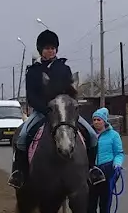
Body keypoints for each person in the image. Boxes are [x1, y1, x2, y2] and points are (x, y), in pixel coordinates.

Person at [8, 29, 105, 189]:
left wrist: (69, 106)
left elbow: (70, 91)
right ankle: (20, 173)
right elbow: (31, 97)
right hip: (42, 112)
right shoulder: (33, 71)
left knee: (92, 135)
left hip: (65, 112)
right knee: (23, 137)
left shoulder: (64, 68)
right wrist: (45, 110)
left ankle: (91, 170)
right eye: (47, 48)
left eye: (53, 48)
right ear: (41, 50)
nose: (50, 51)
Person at [86, 107, 124, 213]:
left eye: (99, 120)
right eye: (94, 120)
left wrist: (117, 164)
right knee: (89, 206)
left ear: (104, 121)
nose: (96, 122)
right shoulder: (89, 134)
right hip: (91, 172)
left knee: (105, 206)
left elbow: (119, 153)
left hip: (108, 171)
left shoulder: (113, 135)